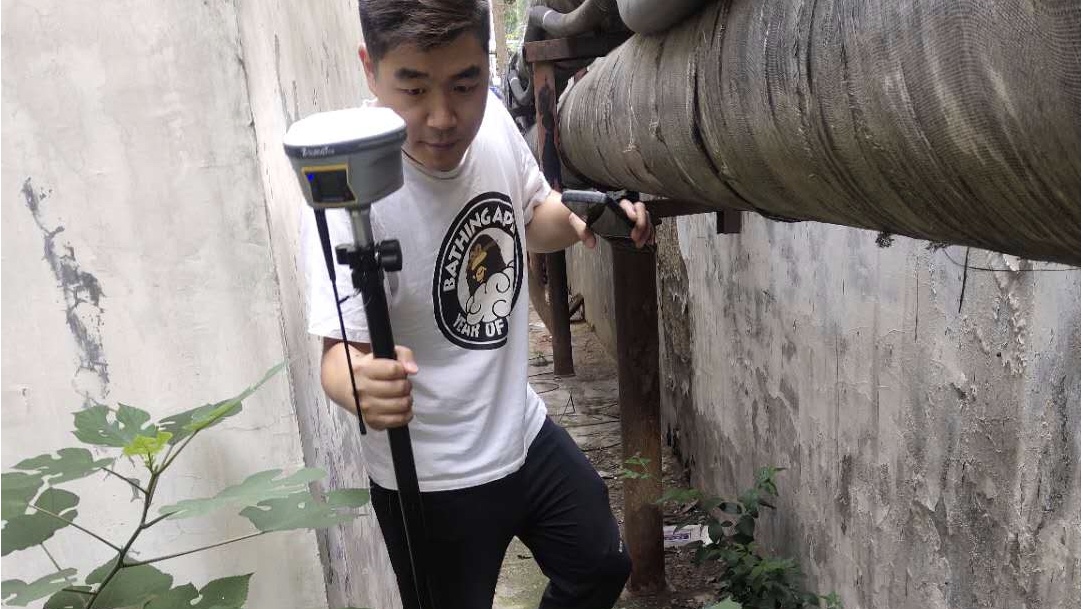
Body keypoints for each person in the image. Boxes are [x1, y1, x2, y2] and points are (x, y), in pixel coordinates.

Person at [300, 1, 653, 607]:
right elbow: (338, 355)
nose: (443, 117)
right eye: (414, 89)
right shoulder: (351, 186)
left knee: (599, 563)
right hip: (430, 475)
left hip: (520, 429)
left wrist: (579, 218)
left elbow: (530, 217)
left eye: (464, 85)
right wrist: (356, 383)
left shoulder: (491, 124)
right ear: (370, 69)